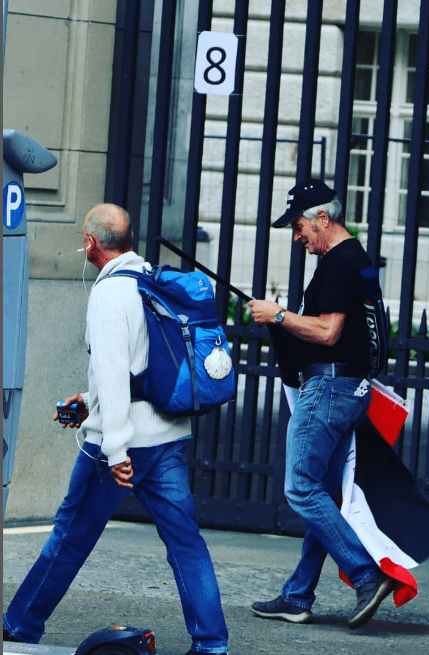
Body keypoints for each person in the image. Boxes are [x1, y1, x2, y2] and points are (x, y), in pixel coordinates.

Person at [2, 204, 229, 655]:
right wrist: (86, 402)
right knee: (185, 543)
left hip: (122, 442)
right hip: (168, 435)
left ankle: (21, 627)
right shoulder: (149, 279)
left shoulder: (108, 295)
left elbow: (112, 373)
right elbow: (142, 368)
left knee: (69, 536)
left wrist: (117, 449)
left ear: (90, 243)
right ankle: (212, 645)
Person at [248, 179, 395, 630]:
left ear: (323, 219)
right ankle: (297, 595)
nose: (298, 237)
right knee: (322, 492)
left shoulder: (338, 263)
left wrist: (277, 314)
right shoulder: (360, 261)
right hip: (349, 389)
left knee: (300, 487)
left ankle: (367, 574)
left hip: (329, 390)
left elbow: (329, 332)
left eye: (299, 226)